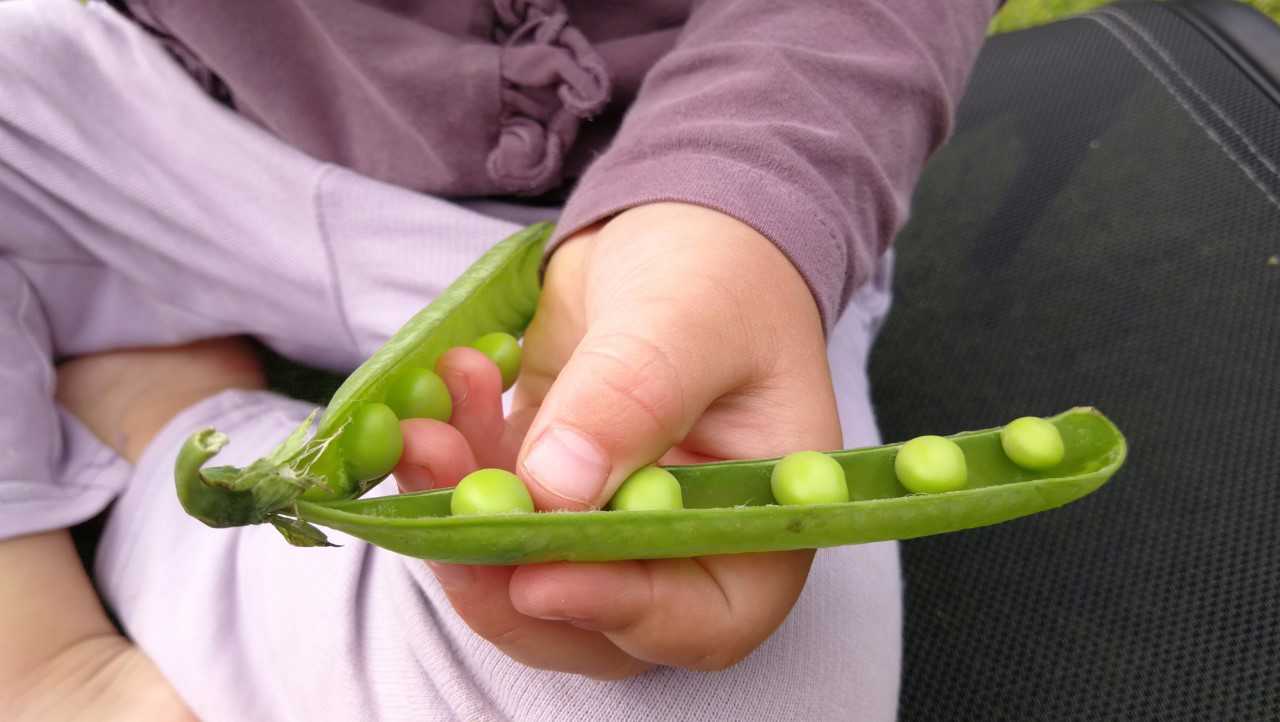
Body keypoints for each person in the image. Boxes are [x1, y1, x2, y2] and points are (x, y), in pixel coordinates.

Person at [0, 1, 995, 719]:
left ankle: (157, 399)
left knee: (723, 682)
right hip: (179, 133)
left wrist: (736, 197)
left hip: (667, 227)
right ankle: (41, 657)